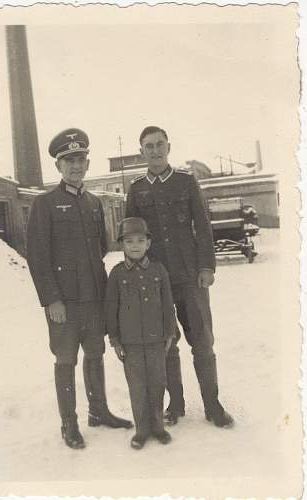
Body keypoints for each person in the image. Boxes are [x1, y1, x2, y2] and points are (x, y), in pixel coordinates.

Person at [27, 128, 132, 450]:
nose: (76, 166)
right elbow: (38, 257)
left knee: (96, 354)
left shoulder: (93, 203)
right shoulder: (45, 204)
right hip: (65, 302)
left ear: (87, 164)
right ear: (58, 166)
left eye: (80, 159)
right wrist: (52, 300)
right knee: (65, 359)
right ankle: (68, 424)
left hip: (93, 296)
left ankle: (98, 411)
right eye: (68, 160)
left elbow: (99, 248)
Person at [126, 126, 234, 428]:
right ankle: (176, 404)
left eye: (160, 144)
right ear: (141, 152)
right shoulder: (136, 189)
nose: (155, 150)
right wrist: (136, 276)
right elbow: (131, 235)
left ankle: (213, 405)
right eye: (149, 146)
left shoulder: (186, 182)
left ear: (169, 147)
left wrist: (207, 267)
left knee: (202, 341)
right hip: (156, 280)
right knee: (166, 343)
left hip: (189, 277)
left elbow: (203, 225)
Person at [106, 217, 175, 449]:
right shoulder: (116, 274)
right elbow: (111, 309)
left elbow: (168, 304)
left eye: (140, 240)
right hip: (130, 343)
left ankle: (158, 427)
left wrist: (169, 334)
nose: (135, 245)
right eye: (129, 241)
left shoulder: (159, 270)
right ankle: (141, 430)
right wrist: (115, 340)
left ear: (148, 244)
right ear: (121, 245)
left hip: (157, 340)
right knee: (137, 386)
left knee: (157, 383)